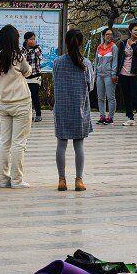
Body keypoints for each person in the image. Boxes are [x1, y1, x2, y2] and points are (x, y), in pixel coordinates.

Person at [0, 24, 34, 189]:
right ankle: (17, 180)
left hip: (4, 104)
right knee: (19, 142)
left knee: (4, 142)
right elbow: (27, 71)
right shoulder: (17, 56)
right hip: (21, 102)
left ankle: (3, 179)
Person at [53, 28, 93, 191]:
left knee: (61, 144)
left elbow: (55, 82)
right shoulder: (86, 63)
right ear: (81, 43)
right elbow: (90, 86)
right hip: (80, 108)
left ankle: (62, 180)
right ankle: (79, 180)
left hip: (62, 108)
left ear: (66, 43)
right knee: (79, 145)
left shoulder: (57, 62)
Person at [117, 22, 137, 127]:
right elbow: (119, 58)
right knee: (126, 96)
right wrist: (116, 73)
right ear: (130, 31)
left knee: (135, 96)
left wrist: (133, 45)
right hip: (123, 73)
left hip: (135, 73)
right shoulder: (123, 43)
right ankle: (130, 118)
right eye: (135, 30)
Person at [94, 28, 118, 125]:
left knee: (110, 97)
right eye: (107, 34)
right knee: (100, 97)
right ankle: (102, 116)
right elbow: (96, 62)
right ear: (103, 36)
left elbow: (115, 61)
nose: (109, 36)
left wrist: (114, 74)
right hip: (100, 75)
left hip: (109, 75)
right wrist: (95, 74)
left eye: (111, 34)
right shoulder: (99, 47)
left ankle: (110, 117)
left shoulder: (114, 47)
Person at [23, 32, 44, 123]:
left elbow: (40, 57)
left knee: (34, 95)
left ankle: (38, 114)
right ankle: (29, 114)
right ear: (26, 40)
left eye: (34, 39)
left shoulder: (37, 48)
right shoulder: (22, 49)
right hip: (25, 77)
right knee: (27, 96)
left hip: (35, 76)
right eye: (30, 39)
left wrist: (35, 48)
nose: (32, 41)